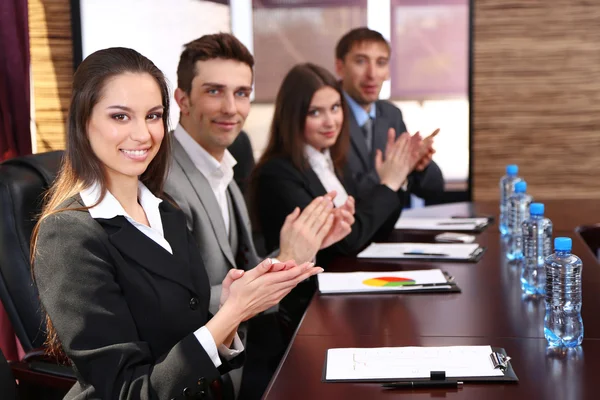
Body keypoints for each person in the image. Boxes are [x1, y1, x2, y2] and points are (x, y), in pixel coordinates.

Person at [30, 47, 322, 400]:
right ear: (83, 121)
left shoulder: (165, 213)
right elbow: (127, 391)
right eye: (120, 117)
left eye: (153, 116)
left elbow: (185, 335)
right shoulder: (69, 235)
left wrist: (228, 305)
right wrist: (231, 314)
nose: (142, 135)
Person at [164, 33, 352, 399]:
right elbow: (177, 307)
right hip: (211, 373)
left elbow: (243, 274)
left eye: (242, 93)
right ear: (182, 100)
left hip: (251, 346)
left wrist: (301, 252)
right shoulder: (166, 182)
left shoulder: (223, 169)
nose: (231, 108)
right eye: (214, 91)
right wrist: (285, 260)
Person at [252, 63, 419, 320]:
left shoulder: (333, 160)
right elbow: (344, 243)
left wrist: (395, 180)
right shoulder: (278, 173)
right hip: (303, 309)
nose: (330, 121)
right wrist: (388, 184)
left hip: (342, 294)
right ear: (293, 117)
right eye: (315, 112)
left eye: (335, 108)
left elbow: (376, 227)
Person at [335, 27, 444, 202]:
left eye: (381, 63)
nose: (372, 74)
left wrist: (419, 166)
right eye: (361, 61)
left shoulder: (390, 114)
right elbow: (340, 195)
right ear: (340, 67)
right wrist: (389, 173)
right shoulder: (329, 116)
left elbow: (435, 189)